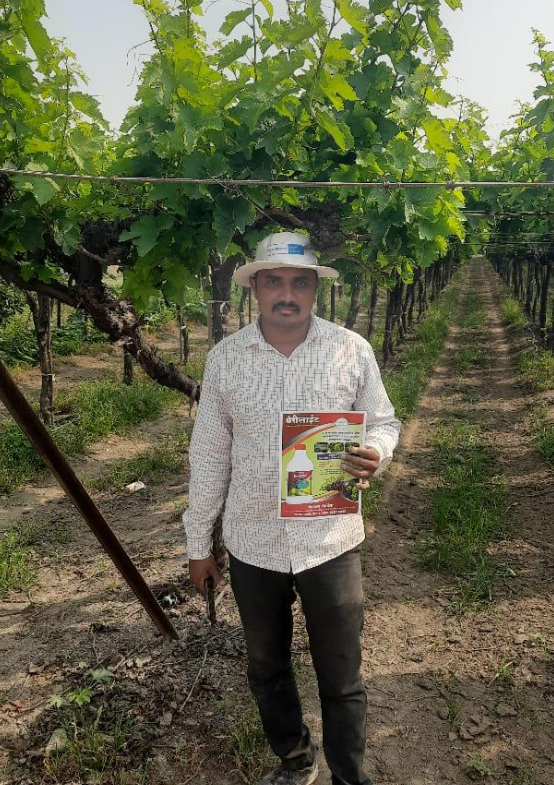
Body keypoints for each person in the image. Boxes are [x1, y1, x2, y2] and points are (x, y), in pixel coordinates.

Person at [183, 232, 401, 785]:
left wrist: (375, 451)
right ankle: (296, 759)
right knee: (266, 666)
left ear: (314, 290)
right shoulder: (225, 360)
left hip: (330, 541)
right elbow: (208, 455)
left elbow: (383, 421)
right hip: (253, 541)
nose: (287, 294)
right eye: (274, 282)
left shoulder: (351, 349)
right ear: (255, 288)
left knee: (342, 675)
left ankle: (349, 777)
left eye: (299, 283)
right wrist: (198, 544)